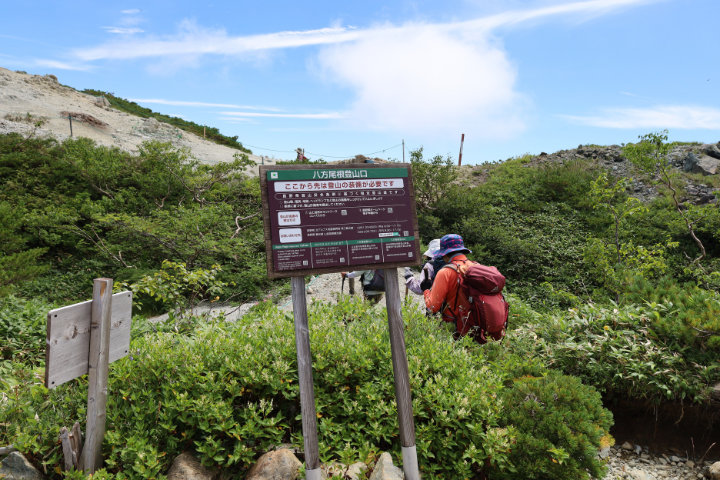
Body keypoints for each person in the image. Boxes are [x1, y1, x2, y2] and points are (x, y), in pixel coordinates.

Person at [423, 234, 474, 332]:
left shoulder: (445, 272)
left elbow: (432, 307)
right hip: (474, 324)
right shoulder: (476, 267)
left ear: (445, 254)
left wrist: (426, 290)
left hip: (453, 327)